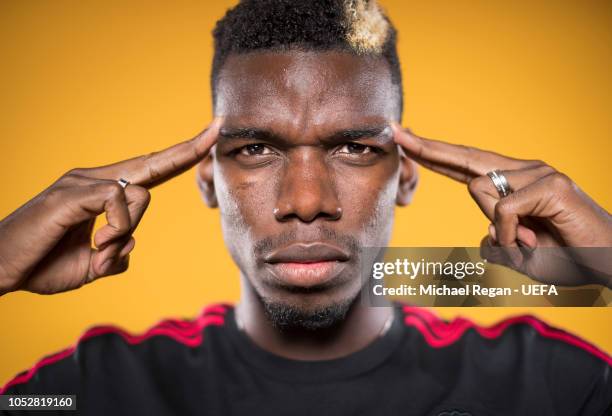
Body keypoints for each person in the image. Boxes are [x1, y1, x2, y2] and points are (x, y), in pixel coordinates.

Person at [1, 1, 610, 415]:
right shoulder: (91, 393)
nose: (307, 203)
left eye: (353, 147)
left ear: (405, 175)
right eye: (257, 149)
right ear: (207, 180)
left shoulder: (549, 386)